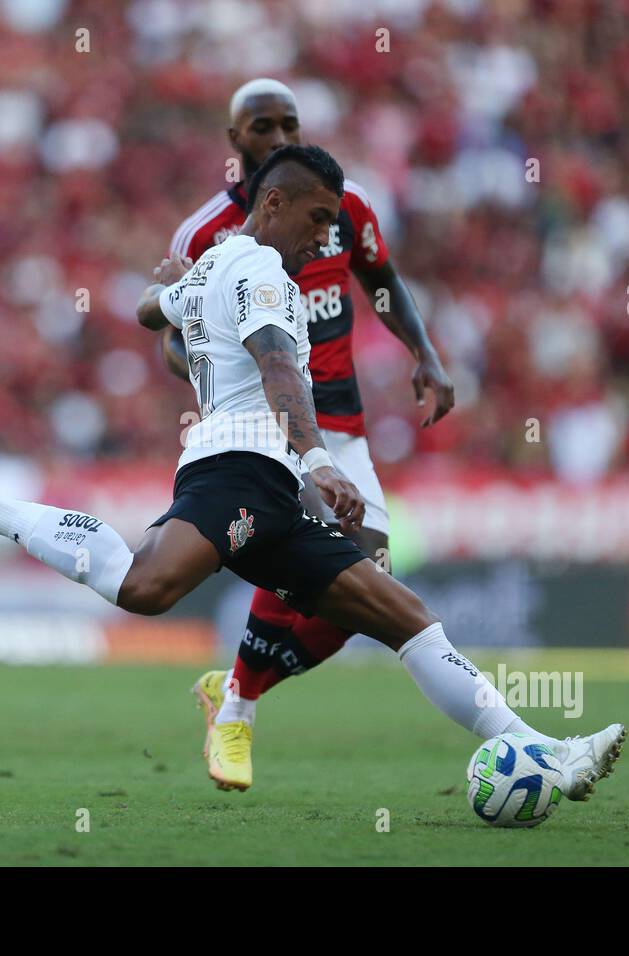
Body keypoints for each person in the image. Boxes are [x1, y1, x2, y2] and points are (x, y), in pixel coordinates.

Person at [0, 144, 624, 797]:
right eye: (318, 219)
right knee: (145, 586)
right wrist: (319, 460)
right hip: (234, 468)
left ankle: (541, 750)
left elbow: (148, 311)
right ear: (274, 203)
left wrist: (165, 289)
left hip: (271, 488)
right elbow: (277, 367)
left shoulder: (212, 267)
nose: (326, 237)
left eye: (335, 223)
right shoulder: (262, 268)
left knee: (407, 619)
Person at [159, 78, 455, 789]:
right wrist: (212, 375)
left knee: (363, 581)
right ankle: (237, 711)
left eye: (289, 123)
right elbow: (175, 337)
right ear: (237, 143)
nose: (279, 137)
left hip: (339, 423)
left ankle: (234, 692)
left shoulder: (341, 208)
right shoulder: (203, 237)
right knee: (296, 553)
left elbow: (382, 282)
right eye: (262, 127)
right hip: (261, 426)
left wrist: (426, 353)